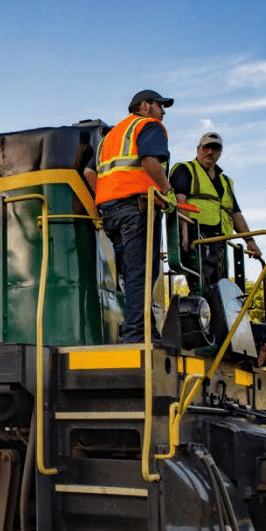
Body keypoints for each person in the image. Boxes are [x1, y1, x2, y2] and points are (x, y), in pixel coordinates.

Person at [84, 90, 182, 343]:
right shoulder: (149, 126)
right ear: (145, 107)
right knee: (141, 272)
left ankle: (144, 330)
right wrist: (168, 192)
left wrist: (104, 199)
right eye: (161, 107)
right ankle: (137, 334)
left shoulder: (110, 136)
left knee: (130, 274)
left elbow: (89, 173)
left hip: (111, 211)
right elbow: (150, 161)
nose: (163, 113)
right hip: (136, 208)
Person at [169, 132, 262, 294]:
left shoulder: (225, 181)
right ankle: (198, 314)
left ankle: (216, 316)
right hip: (196, 237)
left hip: (220, 242)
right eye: (206, 148)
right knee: (201, 285)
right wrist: (183, 230)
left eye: (215, 149)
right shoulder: (185, 169)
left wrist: (250, 240)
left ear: (220, 153)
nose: (210, 152)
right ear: (198, 149)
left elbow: (235, 213)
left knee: (219, 289)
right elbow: (180, 200)